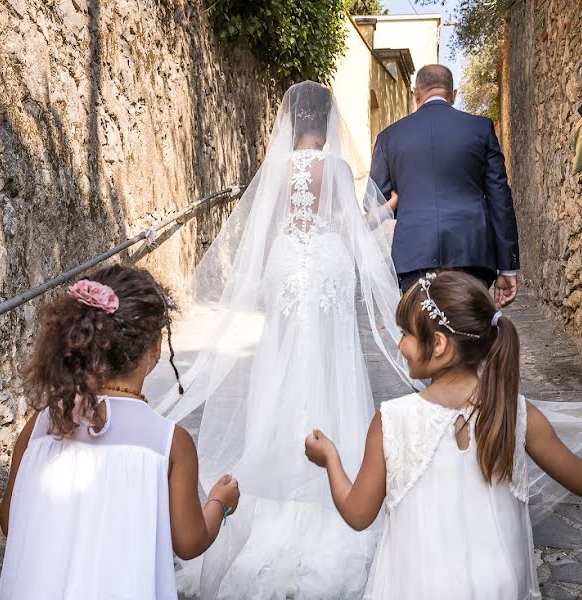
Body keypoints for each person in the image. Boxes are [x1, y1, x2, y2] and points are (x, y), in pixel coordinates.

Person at [146, 81, 421, 598]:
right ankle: (336, 478)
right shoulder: (337, 170)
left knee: (282, 362)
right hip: (328, 270)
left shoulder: (272, 172)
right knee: (333, 363)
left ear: (291, 122)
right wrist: (384, 212)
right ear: (325, 123)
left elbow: (264, 237)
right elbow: (352, 232)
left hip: (285, 270)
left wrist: (282, 266)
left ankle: (272, 496)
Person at [304, 270, 582, 599]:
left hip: (418, 587)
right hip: (498, 585)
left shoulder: (392, 421)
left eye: (406, 334)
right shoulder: (515, 413)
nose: (400, 345)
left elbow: (357, 514)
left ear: (438, 344)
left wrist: (330, 458)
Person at [0, 265, 240, 599]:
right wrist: (219, 502)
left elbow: (11, 522)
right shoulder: (170, 443)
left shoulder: (39, 426)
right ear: (155, 348)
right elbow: (189, 541)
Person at [370, 64, 520, 308]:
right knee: (467, 336)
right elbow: (500, 199)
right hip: (471, 251)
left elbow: (374, 199)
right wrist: (508, 265)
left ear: (416, 93)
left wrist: (403, 200)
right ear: (454, 94)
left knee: (424, 336)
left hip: (414, 252)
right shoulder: (480, 129)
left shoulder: (389, 137)